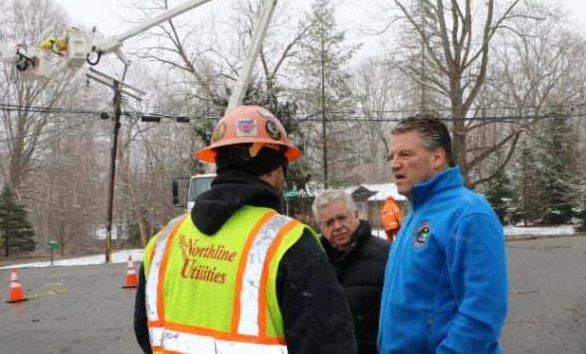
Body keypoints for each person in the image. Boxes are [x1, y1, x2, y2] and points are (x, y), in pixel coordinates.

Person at [134, 105, 356, 354]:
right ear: (274, 167)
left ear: (218, 164)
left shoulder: (164, 241)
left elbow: (147, 333)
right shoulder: (289, 243)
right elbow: (328, 347)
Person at [378, 113, 508, 354]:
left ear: (437, 157)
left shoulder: (469, 213)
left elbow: (483, 312)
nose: (394, 164)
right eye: (392, 156)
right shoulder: (415, 212)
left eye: (405, 154)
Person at [312, 189, 389, 354]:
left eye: (342, 218)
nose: (337, 226)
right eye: (329, 222)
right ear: (320, 227)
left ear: (356, 215)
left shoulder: (387, 255)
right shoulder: (313, 261)